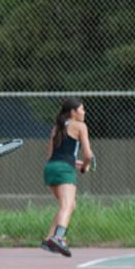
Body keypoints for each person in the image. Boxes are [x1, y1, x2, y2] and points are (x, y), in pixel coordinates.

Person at [41, 98, 93, 257]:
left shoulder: (56, 128)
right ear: (73, 112)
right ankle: (58, 237)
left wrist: (73, 162)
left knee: (69, 205)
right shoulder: (80, 126)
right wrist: (85, 166)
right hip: (64, 170)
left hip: (51, 168)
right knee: (68, 205)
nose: (84, 113)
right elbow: (89, 155)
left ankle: (48, 239)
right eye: (82, 109)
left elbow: (52, 155)